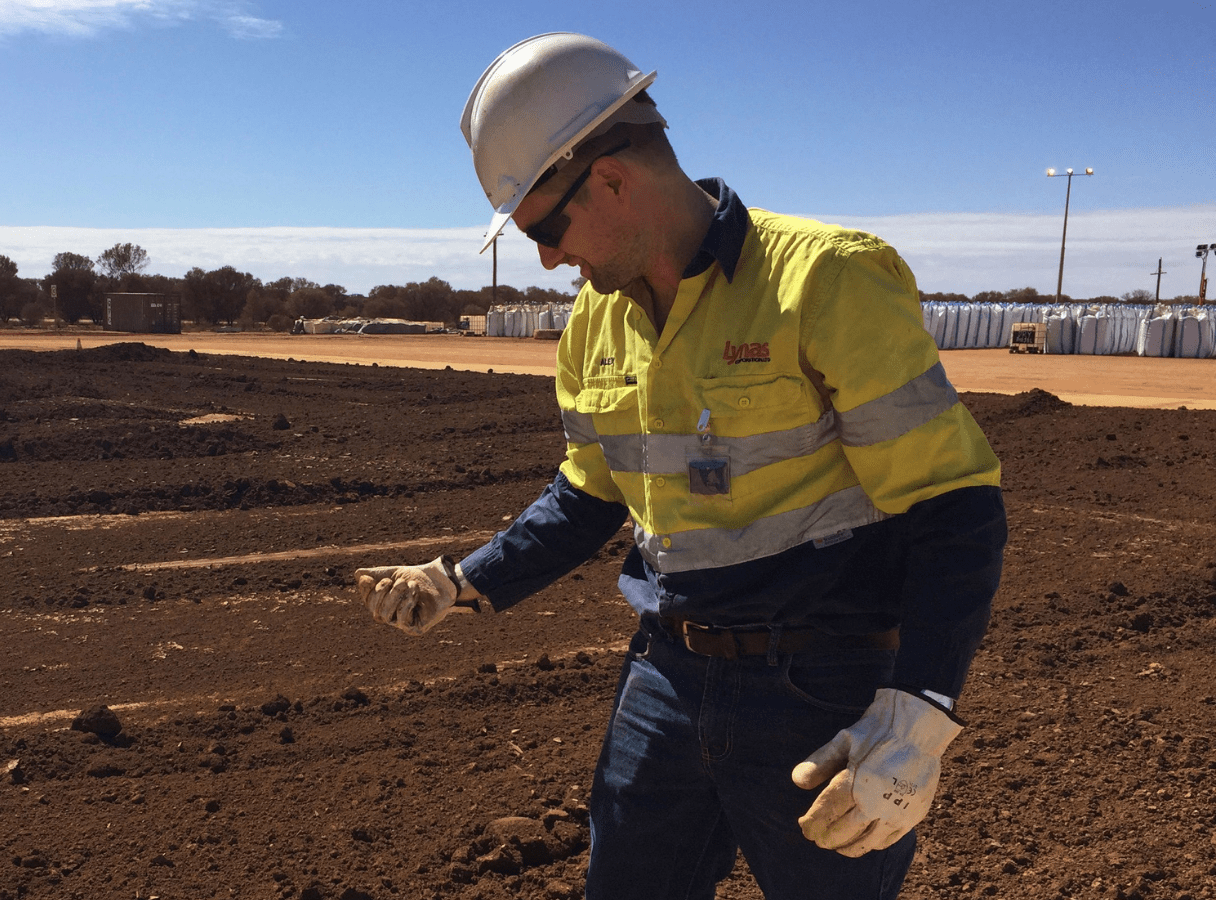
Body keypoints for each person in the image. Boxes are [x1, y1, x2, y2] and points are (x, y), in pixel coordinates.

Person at [356, 33, 1006, 900]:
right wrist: (459, 581)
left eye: (545, 229)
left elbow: (952, 505)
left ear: (613, 179)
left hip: (819, 694)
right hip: (666, 676)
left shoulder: (824, 281)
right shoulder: (596, 322)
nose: (548, 259)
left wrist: (919, 713)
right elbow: (586, 495)